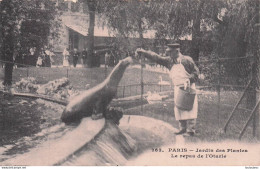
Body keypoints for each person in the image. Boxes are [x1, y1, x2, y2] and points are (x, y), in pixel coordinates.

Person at [135, 43, 199, 136]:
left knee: (190, 108)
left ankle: (190, 130)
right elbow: (157, 57)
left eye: (170, 52)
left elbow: (196, 72)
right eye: (168, 52)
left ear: (177, 51)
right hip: (178, 87)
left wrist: (190, 79)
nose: (168, 54)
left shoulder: (187, 60)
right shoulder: (169, 61)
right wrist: (144, 52)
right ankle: (182, 128)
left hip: (189, 87)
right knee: (179, 108)